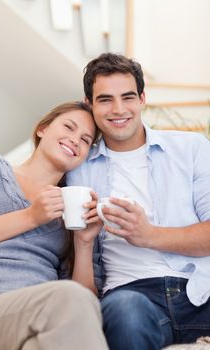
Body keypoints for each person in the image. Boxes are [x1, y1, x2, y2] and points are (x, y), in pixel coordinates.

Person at [66, 53, 210, 350]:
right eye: (105, 100)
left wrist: (150, 235)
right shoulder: (78, 167)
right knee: (126, 312)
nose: (118, 110)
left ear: (142, 98)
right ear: (89, 104)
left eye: (128, 97)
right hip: (131, 295)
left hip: (202, 291)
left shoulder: (191, 149)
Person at [0, 101, 109, 350]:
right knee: (66, 298)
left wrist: (84, 242)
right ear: (43, 129)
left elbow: (85, 305)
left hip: (41, 321)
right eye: (68, 127)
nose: (74, 140)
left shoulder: (76, 211)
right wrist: (31, 216)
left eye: (85, 140)